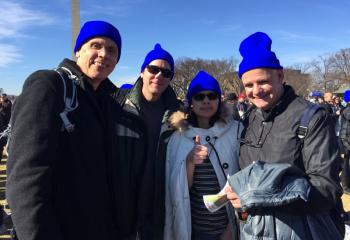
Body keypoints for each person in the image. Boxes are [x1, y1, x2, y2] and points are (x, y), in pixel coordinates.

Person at [6, 20, 146, 240]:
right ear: (78, 49)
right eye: (95, 45)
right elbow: (26, 180)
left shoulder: (108, 103)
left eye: (112, 50)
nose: (103, 54)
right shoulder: (49, 85)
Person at [226, 32, 344, 238]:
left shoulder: (312, 117)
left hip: (302, 229)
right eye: (249, 85)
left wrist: (255, 194)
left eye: (263, 81)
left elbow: (326, 189)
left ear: (280, 76)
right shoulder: (250, 118)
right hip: (254, 230)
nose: (256, 91)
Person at [164, 70, 241, 240]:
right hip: (195, 228)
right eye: (199, 97)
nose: (206, 101)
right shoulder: (178, 137)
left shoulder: (236, 131)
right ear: (191, 102)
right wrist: (190, 161)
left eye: (211, 96)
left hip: (229, 227)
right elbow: (179, 189)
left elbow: (245, 181)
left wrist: (231, 229)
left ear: (219, 100)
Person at [117, 43, 181, 239]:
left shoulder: (179, 114)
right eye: (153, 69)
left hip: (160, 202)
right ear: (142, 71)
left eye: (166, 73)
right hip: (124, 201)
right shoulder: (117, 106)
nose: (159, 76)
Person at [340, 90, 350, 194]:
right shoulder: (347, 110)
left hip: (346, 140)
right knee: (346, 166)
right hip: (346, 142)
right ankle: (345, 186)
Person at [0, 93, 12, 161]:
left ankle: (6, 147)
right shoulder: (2, 102)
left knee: (6, 138)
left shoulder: (8, 102)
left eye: (2, 97)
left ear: (5, 97)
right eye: (1, 97)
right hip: (2, 121)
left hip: (6, 123)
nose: (1, 98)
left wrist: (2, 101)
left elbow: (6, 106)